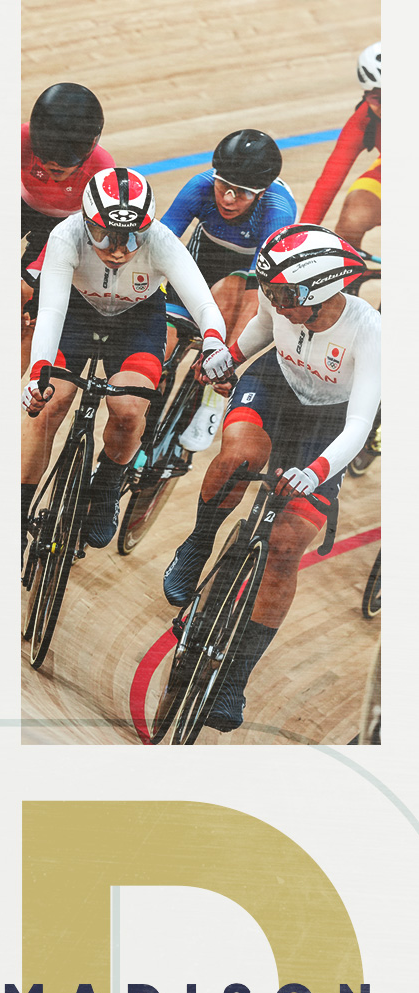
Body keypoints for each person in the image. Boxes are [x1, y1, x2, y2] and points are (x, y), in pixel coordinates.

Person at [159, 223, 377, 731]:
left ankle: (235, 678)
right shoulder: (281, 301)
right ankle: (198, 542)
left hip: (330, 427)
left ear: (319, 293)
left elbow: (360, 425)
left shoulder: (370, 333)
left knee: (287, 545)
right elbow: (260, 329)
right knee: (239, 457)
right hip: (274, 387)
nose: (272, 299)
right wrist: (227, 358)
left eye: (281, 293)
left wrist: (316, 472)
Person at [21, 167, 233, 545]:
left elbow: (202, 302)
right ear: (86, 222)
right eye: (103, 235)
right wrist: (39, 371)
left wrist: (215, 340)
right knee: (50, 407)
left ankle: (106, 483)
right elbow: (52, 312)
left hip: (137, 321)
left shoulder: (163, 241)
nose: (118, 249)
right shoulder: (65, 236)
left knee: (130, 410)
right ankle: (18, 512)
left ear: (148, 228)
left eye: (131, 237)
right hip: (76, 315)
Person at [156, 129, 297, 450]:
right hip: (200, 267)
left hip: (248, 276)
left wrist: (225, 359)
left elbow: (258, 297)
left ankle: (211, 400)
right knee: (159, 351)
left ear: (261, 193)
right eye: (224, 185)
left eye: (242, 192)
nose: (228, 198)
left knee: (236, 288)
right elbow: (156, 248)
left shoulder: (278, 211)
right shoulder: (200, 186)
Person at [20, 83, 113, 373]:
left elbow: (64, 241)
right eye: (46, 160)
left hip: (64, 226)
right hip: (19, 204)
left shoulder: (102, 169)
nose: (52, 167)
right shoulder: (19, 139)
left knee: (29, 307)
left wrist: (30, 278)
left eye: (62, 166)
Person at [300, 42, 381, 252]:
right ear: (365, 94)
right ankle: (347, 281)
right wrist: (299, 240)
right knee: (351, 220)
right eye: (378, 98)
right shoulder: (365, 119)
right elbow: (327, 183)